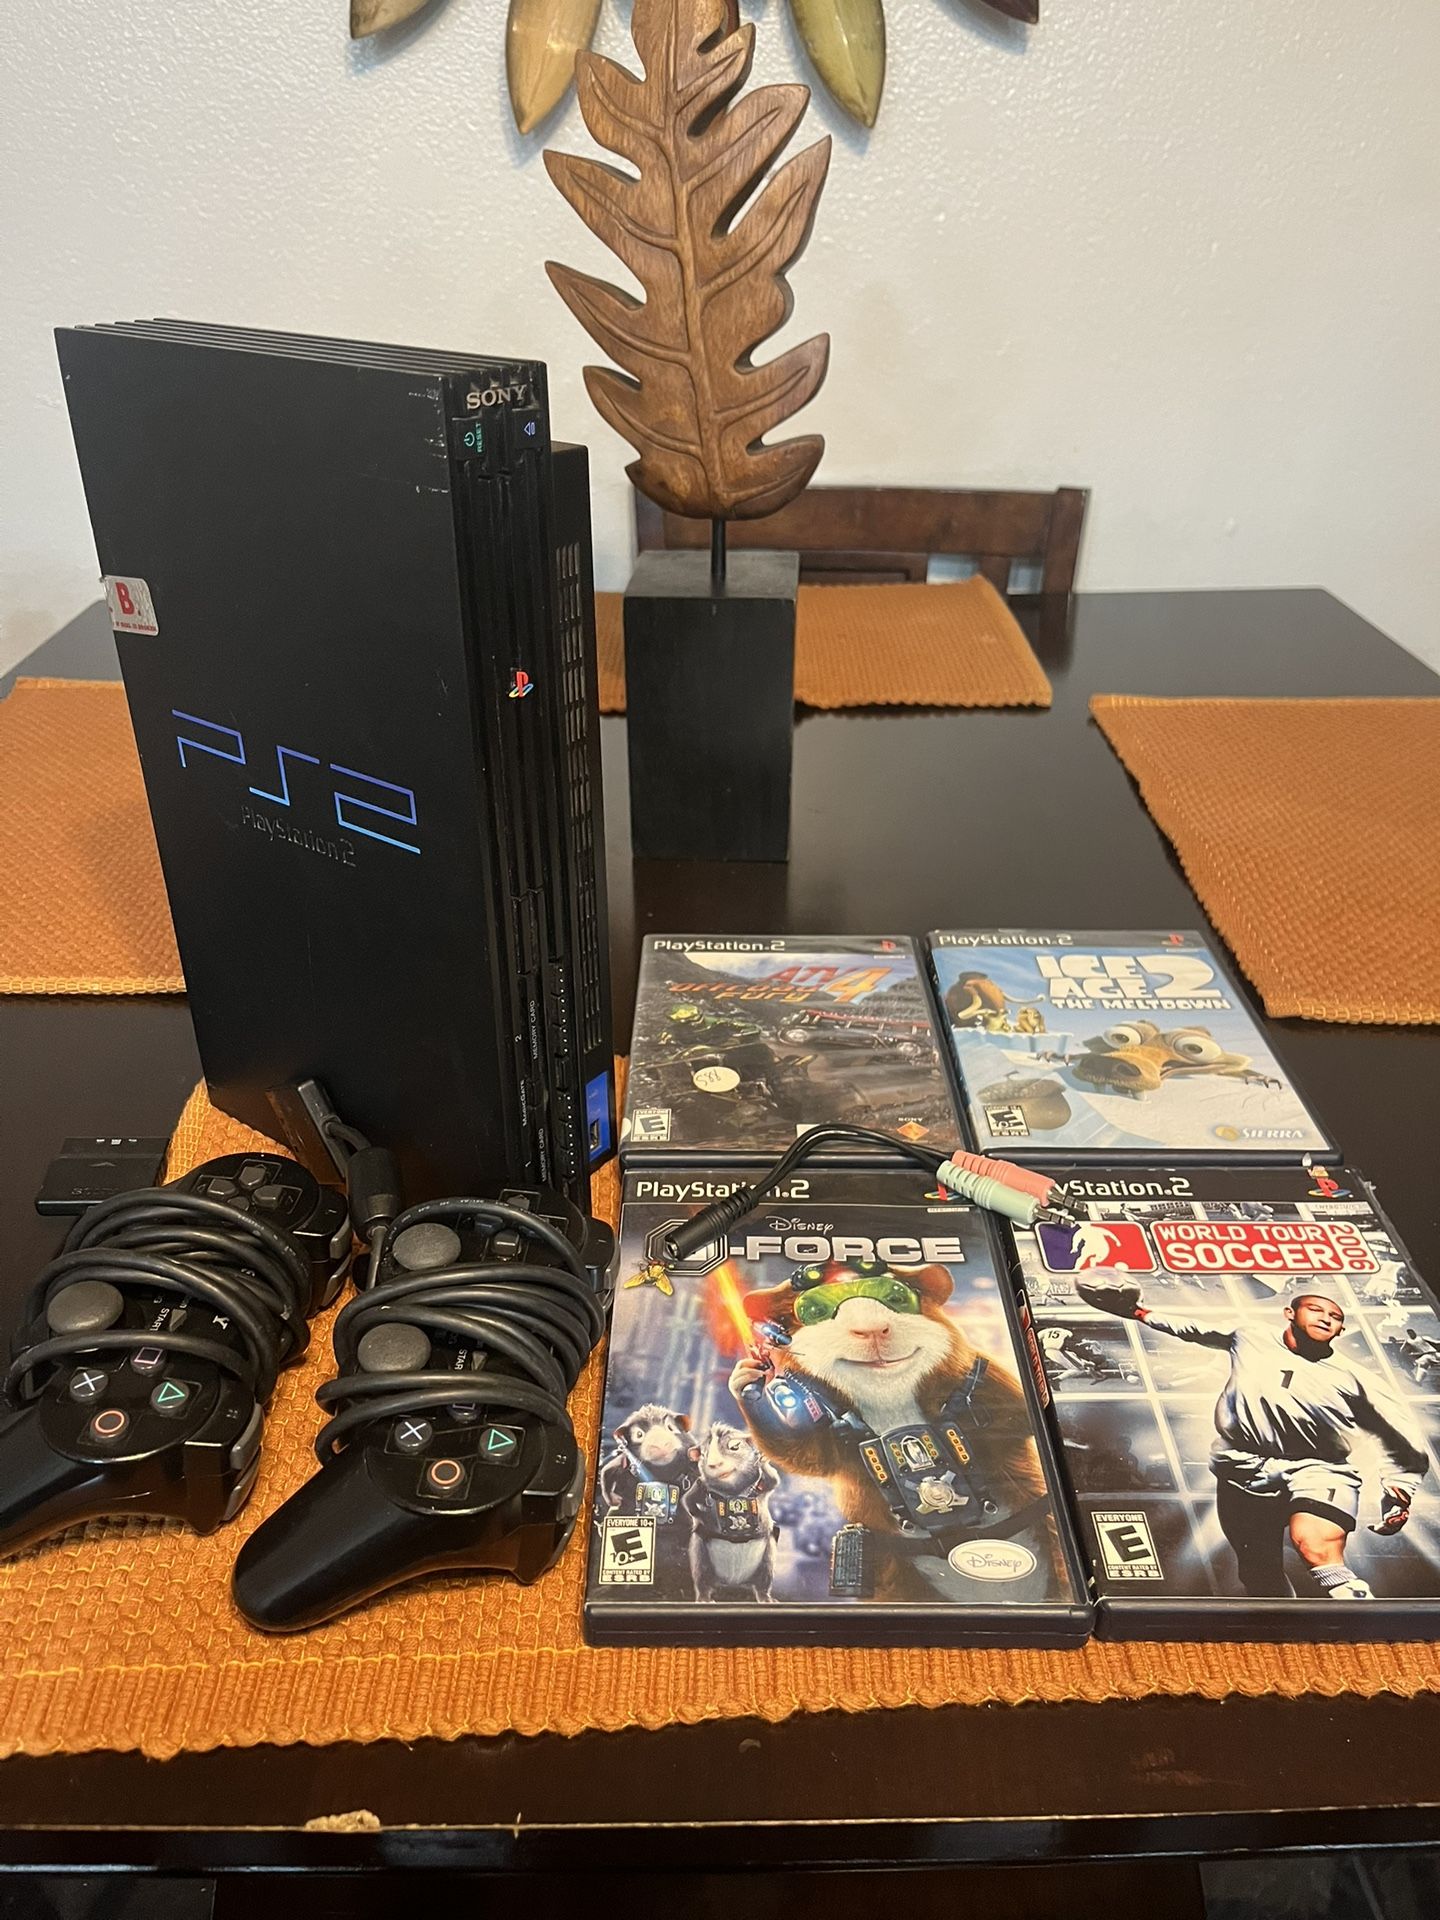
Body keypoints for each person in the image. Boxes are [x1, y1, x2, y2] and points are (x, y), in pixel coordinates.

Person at [1077, 1280, 1427, 1599]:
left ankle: (1359, 1617)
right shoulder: (1250, 1336)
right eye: (1316, 1309)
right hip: (1241, 1468)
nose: (1325, 1318)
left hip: (1318, 1470)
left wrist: (1399, 1489)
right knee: (1258, 1571)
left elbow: (1400, 1434)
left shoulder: (1357, 1379)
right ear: (1289, 1313)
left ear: (1341, 1329)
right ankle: (1286, 1631)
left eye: (1335, 1317)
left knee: (1316, 1547)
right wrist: (1139, 1312)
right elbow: (1193, 1329)